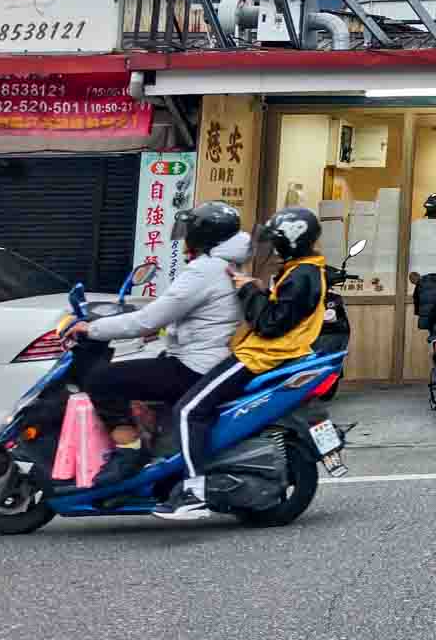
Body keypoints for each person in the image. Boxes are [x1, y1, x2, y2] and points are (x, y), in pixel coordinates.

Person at [153, 205, 330, 521]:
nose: (271, 247)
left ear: (289, 241)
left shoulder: (303, 274)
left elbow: (270, 324)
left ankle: (193, 491)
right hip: (262, 352)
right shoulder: (300, 269)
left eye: (275, 240)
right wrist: (256, 287)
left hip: (262, 356)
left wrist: (247, 288)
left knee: (190, 410)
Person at [66, 201, 249, 486]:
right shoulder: (223, 265)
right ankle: (157, 450)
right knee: (137, 371)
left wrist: (92, 328)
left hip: (194, 365)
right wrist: (159, 332)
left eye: (189, 230)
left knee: (101, 379)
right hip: (202, 357)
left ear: (202, 236)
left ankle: (129, 452)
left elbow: (147, 319)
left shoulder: (205, 270)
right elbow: (195, 317)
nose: (185, 236)